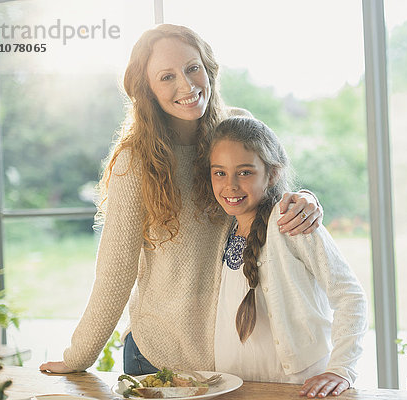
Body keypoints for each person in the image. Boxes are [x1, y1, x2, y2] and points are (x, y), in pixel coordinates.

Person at [39, 24, 322, 375]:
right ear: (148, 90)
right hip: (157, 357)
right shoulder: (136, 160)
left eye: (192, 68)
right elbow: (115, 271)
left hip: (236, 351)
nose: (186, 86)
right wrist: (77, 358)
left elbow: (273, 202)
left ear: (208, 67)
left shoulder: (239, 128)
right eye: (167, 77)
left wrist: (305, 200)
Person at [195, 117, 368, 398]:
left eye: (245, 172)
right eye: (220, 173)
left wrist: (341, 369)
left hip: (295, 386)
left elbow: (350, 295)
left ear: (272, 174)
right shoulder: (223, 228)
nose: (231, 186)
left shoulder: (291, 221)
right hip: (234, 386)